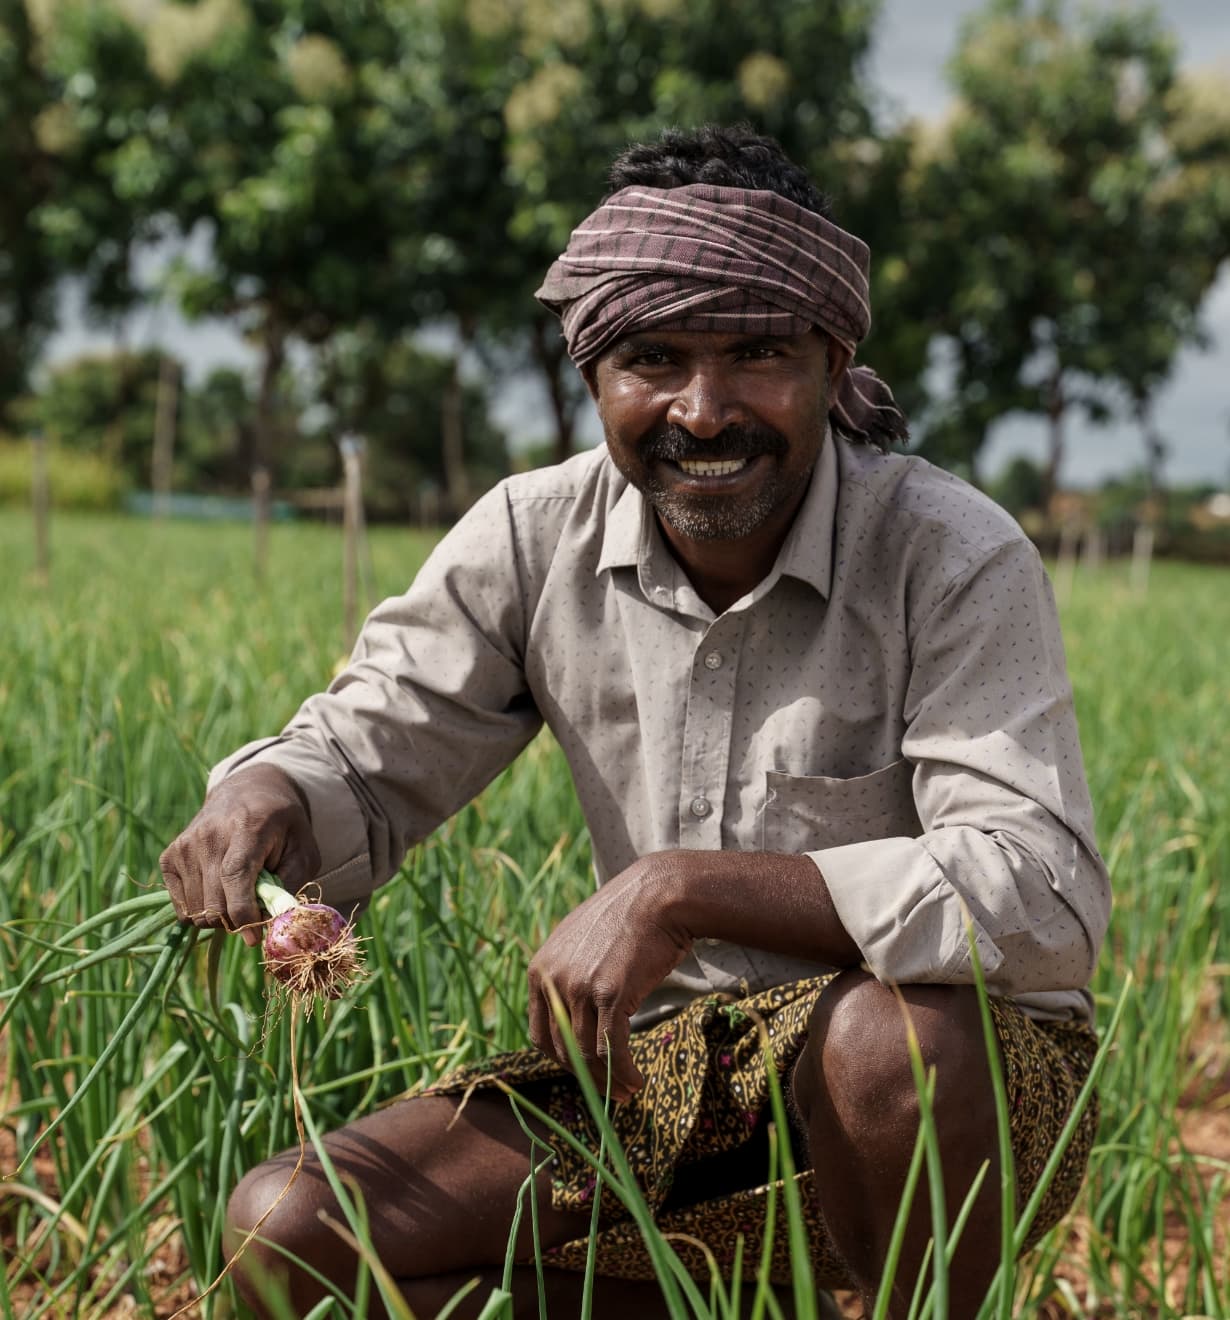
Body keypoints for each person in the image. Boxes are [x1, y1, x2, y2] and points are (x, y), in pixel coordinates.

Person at [160, 124, 1110, 1320]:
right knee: (287, 1231)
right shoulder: (532, 534)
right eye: (653, 357)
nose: (703, 412)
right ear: (592, 371)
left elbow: (1042, 897)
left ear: (831, 356)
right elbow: (370, 741)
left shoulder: (950, 554)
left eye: (757, 352)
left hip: (947, 1094)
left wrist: (680, 886)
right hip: (662, 1077)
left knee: (888, 1043)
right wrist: (273, 794)